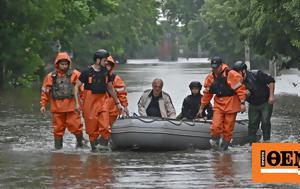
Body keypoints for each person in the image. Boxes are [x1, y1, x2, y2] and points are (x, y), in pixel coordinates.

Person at [74, 49, 124, 152]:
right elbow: (76, 87)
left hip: (103, 101)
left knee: (105, 127)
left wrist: (118, 103)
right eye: (105, 60)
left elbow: (110, 88)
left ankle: (104, 149)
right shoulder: (86, 72)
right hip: (90, 102)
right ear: (98, 60)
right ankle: (94, 151)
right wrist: (77, 103)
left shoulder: (106, 73)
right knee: (92, 130)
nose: (106, 63)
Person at [197, 57, 247, 150]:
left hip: (231, 104)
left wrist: (242, 103)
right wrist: (201, 108)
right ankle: (215, 143)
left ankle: (224, 149)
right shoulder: (210, 77)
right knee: (216, 126)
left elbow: (240, 90)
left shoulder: (231, 74)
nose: (214, 69)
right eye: (213, 67)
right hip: (219, 104)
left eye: (216, 67)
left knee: (228, 129)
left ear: (221, 66)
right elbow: (207, 94)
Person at [40, 52, 83, 149]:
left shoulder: (75, 74)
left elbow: (82, 89)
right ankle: (58, 148)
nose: (64, 66)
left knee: (76, 127)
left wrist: (84, 103)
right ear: (57, 64)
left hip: (72, 108)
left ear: (69, 64)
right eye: (62, 64)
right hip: (57, 108)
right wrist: (43, 104)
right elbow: (45, 91)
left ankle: (80, 144)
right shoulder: (51, 76)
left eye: (66, 64)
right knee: (57, 129)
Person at [232, 61, 275, 143]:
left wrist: (271, 96)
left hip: (265, 102)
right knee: (252, 125)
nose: (236, 76)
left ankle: (267, 141)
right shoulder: (237, 83)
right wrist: (242, 104)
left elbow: (271, 81)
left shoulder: (257, 74)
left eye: (238, 73)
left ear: (243, 71)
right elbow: (236, 94)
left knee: (265, 122)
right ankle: (251, 145)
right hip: (253, 104)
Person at [106, 55, 129, 126]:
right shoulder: (94, 76)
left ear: (111, 66)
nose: (107, 67)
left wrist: (125, 106)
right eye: (105, 64)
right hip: (98, 105)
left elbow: (122, 93)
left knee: (111, 126)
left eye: (109, 65)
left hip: (112, 106)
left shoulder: (115, 78)